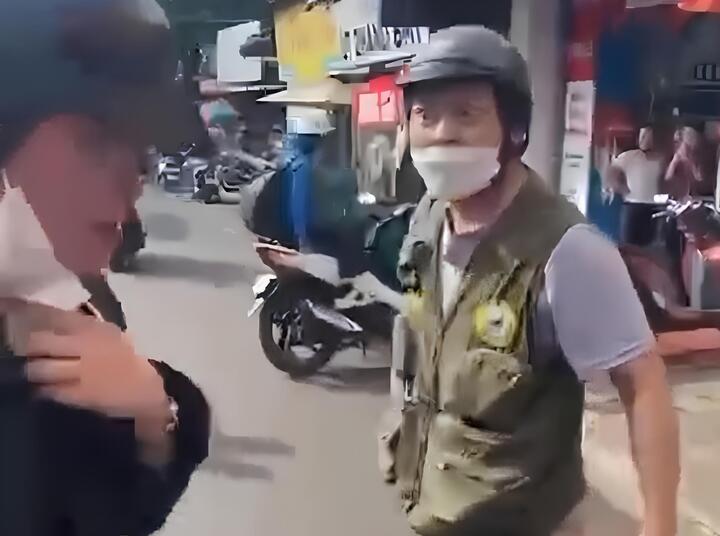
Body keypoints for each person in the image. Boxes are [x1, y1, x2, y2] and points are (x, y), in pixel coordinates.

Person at [384, 26, 679, 536]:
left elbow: (643, 385)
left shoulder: (569, 250)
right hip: (432, 506)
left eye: (466, 113)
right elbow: (416, 334)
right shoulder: (427, 218)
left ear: (515, 128)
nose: (442, 133)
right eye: (425, 116)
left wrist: (659, 525)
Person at [0, 1, 210, 534]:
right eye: (95, 143)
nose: (134, 183)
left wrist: (153, 418)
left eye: (140, 152)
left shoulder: (82, 312)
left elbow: (113, 515)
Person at [607, 126, 666, 246]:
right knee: (628, 244)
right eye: (642, 136)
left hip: (654, 206)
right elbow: (612, 171)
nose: (644, 139)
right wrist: (619, 187)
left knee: (650, 245)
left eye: (647, 135)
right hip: (632, 206)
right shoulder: (629, 156)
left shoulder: (662, 158)